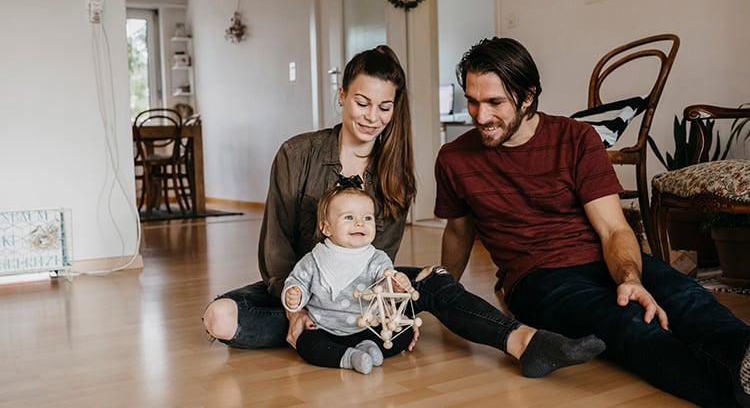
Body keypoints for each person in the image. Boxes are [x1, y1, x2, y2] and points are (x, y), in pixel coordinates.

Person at [202, 44, 605, 379]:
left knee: (433, 281)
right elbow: (275, 252)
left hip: (364, 297)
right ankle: (325, 333)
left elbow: (382, 262)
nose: (371, 117)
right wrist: (298, 309)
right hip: (301, 290)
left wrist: (392, 310)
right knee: (220, 318)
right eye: (361, 102)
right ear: (341, 95)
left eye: (384, 107)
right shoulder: (296, 153)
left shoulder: (397, 175)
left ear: (395, 109)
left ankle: (525, 342)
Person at [434, 36, 750, 407]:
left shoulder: (575, 137)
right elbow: (458, 231)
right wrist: (445, 297)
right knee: (626, 323)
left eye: (494, 103)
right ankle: (734, 396)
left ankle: (744, 359)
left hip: (601, 257)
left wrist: (629, 279)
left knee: (687, 297)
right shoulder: (454, 159)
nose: (480, 116)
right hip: (538, 280)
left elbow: (613, 228)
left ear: (528, 95)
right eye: (472, 101)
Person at [282, 185, 415, 375]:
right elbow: (298, 282)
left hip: (371, 327)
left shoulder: (377, 258)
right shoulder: (314, 260)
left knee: (405, 331)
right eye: (349, 217)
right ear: (326, 227)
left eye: (367, 218)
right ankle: (349, 357)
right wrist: (295, 294)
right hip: (325, 328)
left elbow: (386, 285)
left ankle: (369, 347)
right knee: (306, 344)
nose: (360, 223)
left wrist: (397, 285)